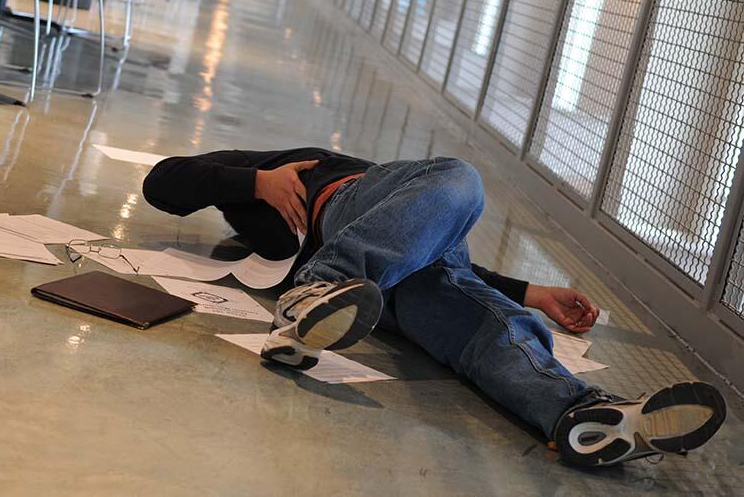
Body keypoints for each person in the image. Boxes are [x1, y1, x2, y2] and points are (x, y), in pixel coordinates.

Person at [142, 147, 727, 468]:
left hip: (373, 277)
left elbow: (416, 238)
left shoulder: (370, 195)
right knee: (460, 180)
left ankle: (580, 414)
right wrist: (257, 183)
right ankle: (314, 292)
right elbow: (162, 180)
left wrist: (529, 293)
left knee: (480, 320)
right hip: (353, 278)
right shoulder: (273, 169)